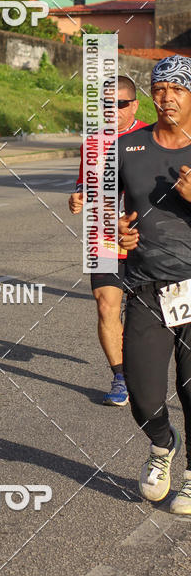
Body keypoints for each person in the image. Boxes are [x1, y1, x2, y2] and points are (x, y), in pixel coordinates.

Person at [118, 55, 191, 513]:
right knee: (143, 394)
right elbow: (106, 213)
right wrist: (115, 231)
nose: (167, 98)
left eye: (178, 89)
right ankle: (163, 445)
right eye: (160, 89)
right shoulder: (128, 148)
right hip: (146, 286)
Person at [68, 76, 146, 406]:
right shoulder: (93, 143)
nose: (113, 111)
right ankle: (120, 376)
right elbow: (85, 185)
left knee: (147, 317)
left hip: (147, 240)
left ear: (135, 105)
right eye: (107, 105)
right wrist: (78, 197)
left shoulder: (151, 137)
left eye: (121, 105)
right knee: (105, 306)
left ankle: (147, 369)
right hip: (105, 239)